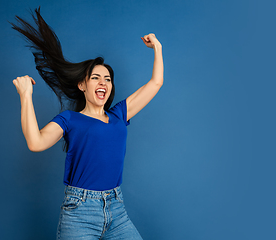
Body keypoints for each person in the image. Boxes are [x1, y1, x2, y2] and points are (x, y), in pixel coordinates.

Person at [11, 7, 163, 240]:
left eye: (108, 79)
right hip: (80, 212)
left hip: (116, 209)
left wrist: (158, 49)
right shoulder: (70, 119)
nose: (103, 82)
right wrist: (26, 95)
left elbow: (155, 83)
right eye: (95, 77)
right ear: (82, 85)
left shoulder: (119, 114)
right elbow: (36, 142)